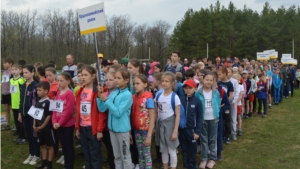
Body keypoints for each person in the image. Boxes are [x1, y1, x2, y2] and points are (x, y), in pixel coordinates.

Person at [97, 68, 133, 169]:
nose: (116, 80)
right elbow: (102, 108)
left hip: (122, 131)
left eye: (118, 78)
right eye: (115, 78)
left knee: (125, 157)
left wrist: (107, 101)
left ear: (126, 80)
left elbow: (118, 113)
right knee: (117, 157)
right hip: (112, 130)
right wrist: (100, 97)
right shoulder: (113, 93)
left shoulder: (127, 95)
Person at [75, 66, 107, 169]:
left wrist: (99, 130)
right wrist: (77, 128)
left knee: (95, 154)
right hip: (82, 126)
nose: (83, 77)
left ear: (93, 76)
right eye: (82, 75)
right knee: (86, 153)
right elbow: (78, 111)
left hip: (93, 128)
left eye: (86, 75)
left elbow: (101, 113)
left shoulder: (97, 92)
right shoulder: (80, 91)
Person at [154, 72, 180, 169]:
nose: (164, 83)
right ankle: (165, 167)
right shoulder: (158, 96)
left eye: (167, 81)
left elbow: (177, 116)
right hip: (160, 125)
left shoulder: (175, 97)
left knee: (171, 149)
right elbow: (156, 112)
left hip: (170, 125)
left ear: (172, 83)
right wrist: (153, 127)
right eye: (163, 81)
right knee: (163, 149)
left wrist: (175, 131)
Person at [131, 75, 156, 169]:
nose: (135, 86)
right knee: (140, 153)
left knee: (146, 154)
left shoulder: (148, 98)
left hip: (146, 131)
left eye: (138, 83)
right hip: (136, 130)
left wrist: (149, 135)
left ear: (145, 84)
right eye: (134, 84)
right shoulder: (133, 97)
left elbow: (152, 117)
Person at [197, 72, 221, 169]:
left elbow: (218, 104)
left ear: (213, 81)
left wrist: (217, 113)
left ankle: (212, 159)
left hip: (213, 119)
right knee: (203, 140)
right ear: (203, 79)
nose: (209, 82)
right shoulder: (198, 92)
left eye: (211, 80)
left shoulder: (216, 92)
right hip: (203, 119)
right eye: (207, 79)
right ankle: (204, 159)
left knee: (212, 139)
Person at [52, 72, 75, 169]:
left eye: (62, 81)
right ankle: (66, 162)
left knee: (68, 145)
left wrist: (60, 123)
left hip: (67, 125)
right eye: (58, 81)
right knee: (64, 145)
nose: (59, 83)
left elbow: (69, 111)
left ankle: (69, 165)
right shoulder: (58, 93)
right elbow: (54, 109)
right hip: (58, 125)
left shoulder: (69, 93)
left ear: (68, 81)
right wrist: (54, 122)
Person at [19, 65, 41, 165]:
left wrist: (36, 117)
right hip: (24, 115)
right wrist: (20, 113)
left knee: (34, 136)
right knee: (28, 135)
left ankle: (37, 155)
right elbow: (21, 100)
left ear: (32, 72)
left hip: (32, 116)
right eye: (23, 73)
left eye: (26, 72)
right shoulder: (23, 85)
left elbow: (37, 102)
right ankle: (31, 153)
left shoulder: (36, 86)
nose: (24, 74)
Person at [179, 79, 202, 169]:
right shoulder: (180, 100)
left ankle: (192, 166)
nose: (188, 90)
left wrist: (197, 131)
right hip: (182, 130)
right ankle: (186, 165)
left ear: (195, 89)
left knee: (192, 150)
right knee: (184, 149)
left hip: (192, 130)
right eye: (186, 88)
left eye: (190, 88)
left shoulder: (197, 101)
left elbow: (200, 117)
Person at [34, 82, 55, 169]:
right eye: (37, 90)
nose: (38, 92)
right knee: (43, 145)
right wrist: (34, 125)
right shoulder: (37, 102)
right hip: (39, 128)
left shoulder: (49, 102)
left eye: (40, 90)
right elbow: (35, 114)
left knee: (49, 146)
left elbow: (49, 116)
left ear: (46, 91)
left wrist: (42, 126)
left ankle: (49, 164)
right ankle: (44, 163)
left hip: (47, 128)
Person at [10, 64, 26, 143]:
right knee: (16, 121)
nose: (14, 71)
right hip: (14, 104)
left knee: (21, 121)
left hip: (20, 104)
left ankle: (23, 136)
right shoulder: (11, 80)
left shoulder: (22, 80)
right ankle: (19, 135)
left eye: (16, 69)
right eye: (13, 69)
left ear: (20, 71)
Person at [217, 67, 233, 144]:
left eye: (219, 74)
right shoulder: (219, 83)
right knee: (221, 121)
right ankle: (222, 135)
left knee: (227, 121)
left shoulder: (230, 84)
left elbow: (231, 95)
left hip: (226, 105)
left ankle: (227, 136)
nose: (218, 76)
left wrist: (226, 102)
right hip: (219, 105)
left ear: (224, 74)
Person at [227, 68, 239, 141]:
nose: (227, 73)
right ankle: (227, 133)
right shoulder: (222, 81)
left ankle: (233, 133)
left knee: (233, 118)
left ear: (231, 73)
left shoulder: (234, 81)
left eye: (228, 72)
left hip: (232, 102)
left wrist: (233, 101)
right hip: (225, 103)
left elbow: (236, 92)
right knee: (226, 119)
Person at [1, 57, 13, 131]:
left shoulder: (12, 72)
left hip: (10, 93)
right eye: (4, 63)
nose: (4, 64)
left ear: (10, 64)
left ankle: (16, 125)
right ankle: (7, 124)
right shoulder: (4, 72)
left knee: (14, 110)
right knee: (6, 109)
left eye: (6, 63)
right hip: (4, 92)